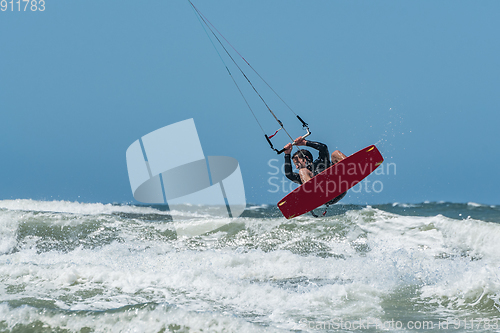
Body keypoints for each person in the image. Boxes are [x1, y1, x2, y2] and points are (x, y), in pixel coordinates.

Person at [283, 137, 348, 207]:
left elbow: (323, 148)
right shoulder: (302, 176)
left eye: (297, 163)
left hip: (339, 188)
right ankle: (314, 193)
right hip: (325, 197)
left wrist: (305, 143)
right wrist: (287, 154)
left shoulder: (321, 162)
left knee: (335, 153)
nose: (296, 167)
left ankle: (350, 170)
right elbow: (289, 174)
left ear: (306, 158)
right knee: (302, 171)